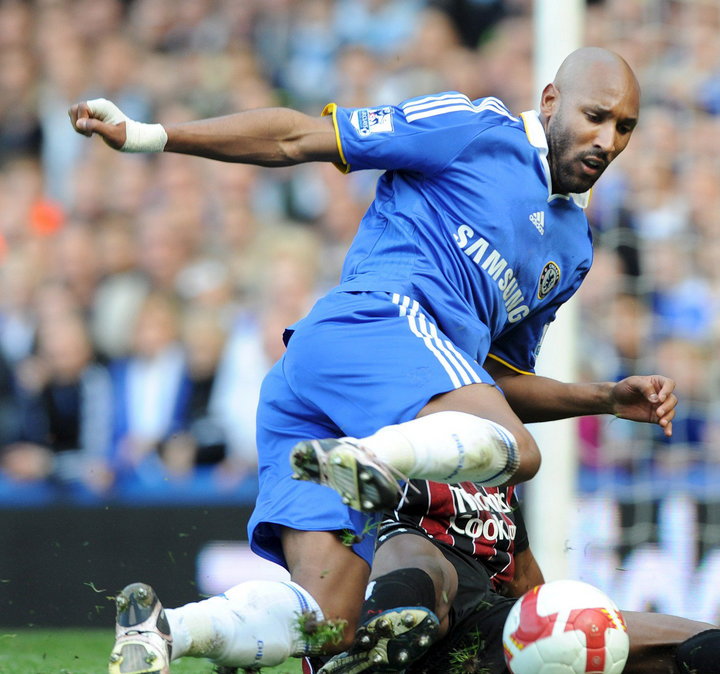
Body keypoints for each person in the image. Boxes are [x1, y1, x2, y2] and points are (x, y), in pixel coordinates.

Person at [73, 47, 680, 674]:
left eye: (624, 128)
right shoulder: (472, 130)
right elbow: (297, 138)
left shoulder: (573, 248)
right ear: (551, 100)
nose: (607, 140)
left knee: (328, 620)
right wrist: (150, 136)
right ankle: (373, 459)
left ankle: (165, 631)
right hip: (371, 326)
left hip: (337, 387)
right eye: (595, 116)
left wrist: (604, 399)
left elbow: (489, 381)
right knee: (518, 452)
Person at [306, 468, 720, 674]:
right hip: (419, 638)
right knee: (419, 562)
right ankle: (390, 638)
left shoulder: (488, 474)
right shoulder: (362, 480)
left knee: (683, 636)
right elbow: (317, 604)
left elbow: (530, 586)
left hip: (489, 642)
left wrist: (562, 632)